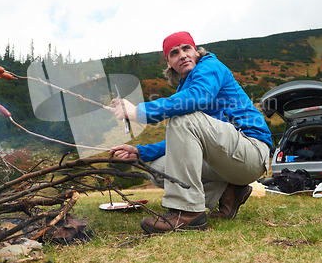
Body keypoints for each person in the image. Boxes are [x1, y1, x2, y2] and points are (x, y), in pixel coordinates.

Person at [110, 31, 272, 234]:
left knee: (183, 117)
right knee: (159, 168)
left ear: (196, 51)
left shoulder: (210, 67)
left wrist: (140, 112)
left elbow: (198, 98)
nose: (183, 55)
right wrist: (140, 152)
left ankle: (187, 213)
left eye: (187, 48)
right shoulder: (185, 89)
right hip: (230, 159)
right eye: (174, 53)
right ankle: (228, 192)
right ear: (169, 63)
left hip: (252, 151)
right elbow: (184, 144)